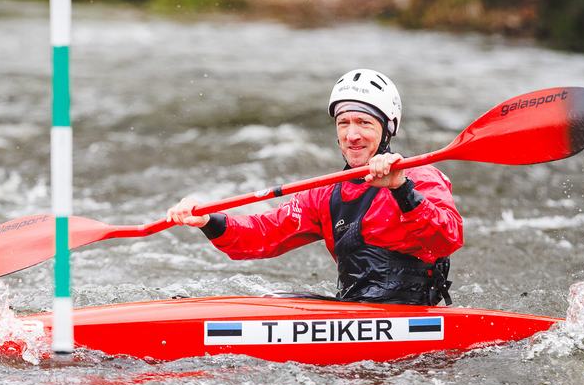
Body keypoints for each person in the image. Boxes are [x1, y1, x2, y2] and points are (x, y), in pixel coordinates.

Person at [166, 69, 463, 306]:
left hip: (410, 312)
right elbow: (264, 234)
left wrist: (401, 189)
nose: (352, 134)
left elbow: (447, 239)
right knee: (277, 300)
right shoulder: (326, 193)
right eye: (343, 123)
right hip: (353, 311)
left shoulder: (419, 176)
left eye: (364, 122)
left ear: (387, 129)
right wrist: (209, 221)